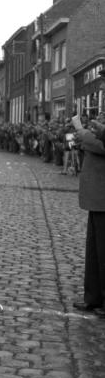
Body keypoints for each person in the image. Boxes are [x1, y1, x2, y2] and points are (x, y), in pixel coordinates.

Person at [72, 113, 105, 318]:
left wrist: (81, 131)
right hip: (97, 195)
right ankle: (93, 297)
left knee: (103, 250)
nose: (102, 86)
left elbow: (102, 146)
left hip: (102, 193)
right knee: (94, 251)